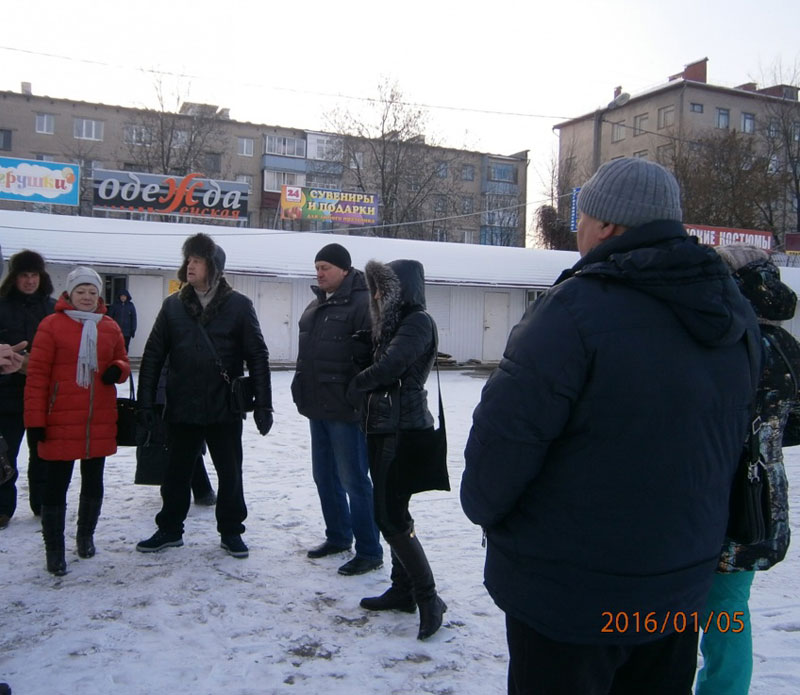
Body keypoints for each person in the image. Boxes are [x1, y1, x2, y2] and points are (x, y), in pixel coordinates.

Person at [461, 158, 760, 694]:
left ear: (607, 226)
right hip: (675, 592)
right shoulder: (731, 313)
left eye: (583, 218)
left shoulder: (573, 309)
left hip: (571, 597)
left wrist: (487, 513)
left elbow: (502, 445)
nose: (578, 231)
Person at [695, 246, 800, 695]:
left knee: (670, 614)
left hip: (711, 498)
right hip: (760, 501)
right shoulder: (785, 343)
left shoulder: (721, 338)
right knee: (730, 613)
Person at [136, 233, 272, 559]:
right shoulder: (172, 307)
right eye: (188, 260)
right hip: (182, 406)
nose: (189, 265)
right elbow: (153, 354)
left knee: (230, 474)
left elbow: (258, 355)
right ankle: (169, 529)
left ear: (213, 266)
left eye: (196, 260)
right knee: (176, 474)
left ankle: (231, 532)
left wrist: (264, 405)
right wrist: (145, 404)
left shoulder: (239, 306)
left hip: (224, 407)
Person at [347, 258, 447, 641]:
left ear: (399, 291)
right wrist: (364, 350)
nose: (374, 295)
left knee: (389, 517)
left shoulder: (417, 321)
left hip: (401, 430)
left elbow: (392, 368)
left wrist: (359, 381)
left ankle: (428, 597)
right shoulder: (392, 325)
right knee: (395, 511)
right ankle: (403, 590)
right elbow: (385, 363)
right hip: (382, 427)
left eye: (381, 288)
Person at [24, 266, 130, 575]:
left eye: (92, 292)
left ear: (100, 296)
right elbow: (37, 376)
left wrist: (119, 369)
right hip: (59, 419)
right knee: (56, 484)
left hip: (98, 419)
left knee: (93, 481)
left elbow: (122, 359)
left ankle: (85, 537)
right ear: (69, 294)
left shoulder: (109, 326)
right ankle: (54, 549)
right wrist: (35, 420)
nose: (86, 297)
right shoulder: (51, 325)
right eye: (81, 291)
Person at [291, 243, 383, 576]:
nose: (319, 273)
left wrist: (355, 394)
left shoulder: (363, 304)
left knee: (354, 481)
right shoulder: (316, 305)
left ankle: (370, 550)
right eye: (317, 267)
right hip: (317, 405)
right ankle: (338, 536)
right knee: (324, 477)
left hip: (347, 410)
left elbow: (374, 357)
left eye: (326, 267)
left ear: (344, 269)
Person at [0, 250, 56, 527]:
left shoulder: (52, 309)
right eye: (25, 275)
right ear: (14, 277)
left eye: (35, 275)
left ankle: (42, 503)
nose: (30, 281)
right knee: (4, 453)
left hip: (44, 394)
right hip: (7, 394)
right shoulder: (1, 306)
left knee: (43, 452)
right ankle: (2, 508)